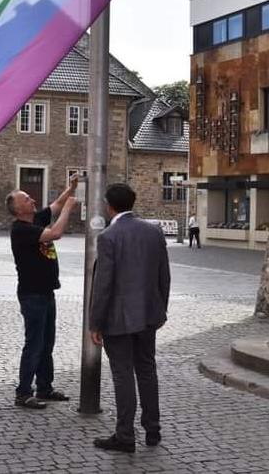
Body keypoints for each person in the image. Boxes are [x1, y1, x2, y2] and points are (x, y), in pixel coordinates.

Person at [90, 183, 171, 453]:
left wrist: (96, 323)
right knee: (147, 370)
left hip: (118, 318)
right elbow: (164, 276)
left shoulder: (109, 236)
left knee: (123, 374)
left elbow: (103, 285)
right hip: (149, 314)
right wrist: (161, 309)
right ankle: (153, 429)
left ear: (109, 206)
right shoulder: (154, 231)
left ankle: (125, 435)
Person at [6, 175, 78, 409]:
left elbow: (54, 206)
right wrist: (69, 209)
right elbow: (55, 233)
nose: (32, 199)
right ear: (18, 209)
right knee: (34, 343)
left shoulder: (35, 219)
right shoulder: (20, 230)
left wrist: (71, 189)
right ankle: (23, 392)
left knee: (47, 342)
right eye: (26, 199)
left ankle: (44, 387)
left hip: (47, 292)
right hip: (32, 294)